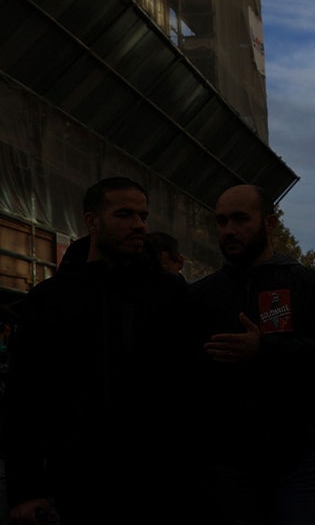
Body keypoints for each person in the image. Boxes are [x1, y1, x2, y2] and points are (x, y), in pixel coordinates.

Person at [4, 177, 199, 525]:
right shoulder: (50, 300)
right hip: (80, 487)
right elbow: (24, 397)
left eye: (143, 215)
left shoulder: (171, 295)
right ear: (92, 222)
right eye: (125, 214)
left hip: (165, 485)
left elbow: (194, 386)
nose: (138, 224)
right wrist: (26, 489)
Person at [189, 184, 315, 525]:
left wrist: (263, 350)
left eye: (240, 219)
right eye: (222, 221)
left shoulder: (308, 284)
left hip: (304, 456)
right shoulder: (201, 296)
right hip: (229, 462)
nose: (229, 230)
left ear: (269, 223)